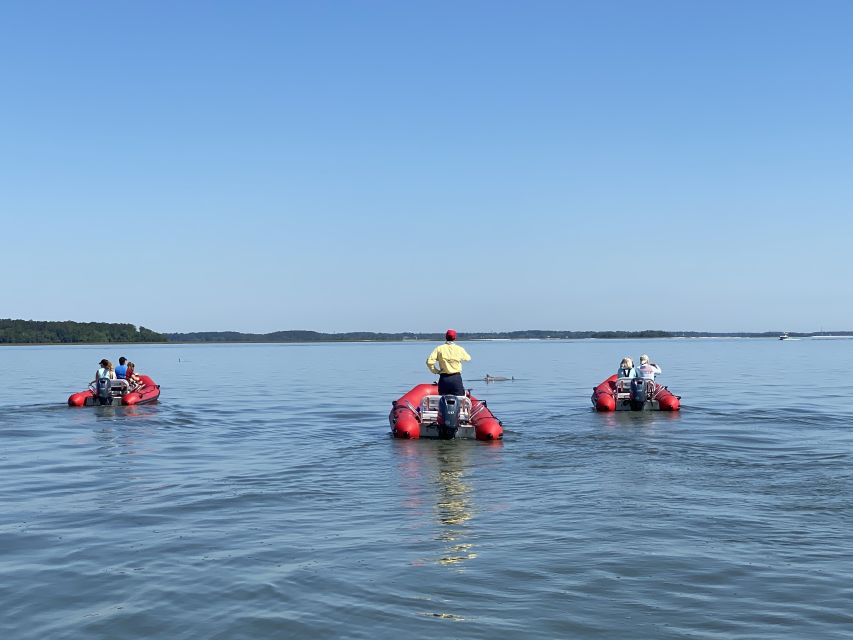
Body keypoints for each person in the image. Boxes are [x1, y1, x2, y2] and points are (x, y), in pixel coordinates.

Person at [426, 329, 471, 396]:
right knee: (459, 399)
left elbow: (429, 362)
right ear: (455, 338)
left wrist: (436, 371)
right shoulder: (459, 349)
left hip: (444, 378)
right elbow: (468, 358)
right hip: (456, 378)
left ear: (446, 337)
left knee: (443, 400)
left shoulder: (439, 348)